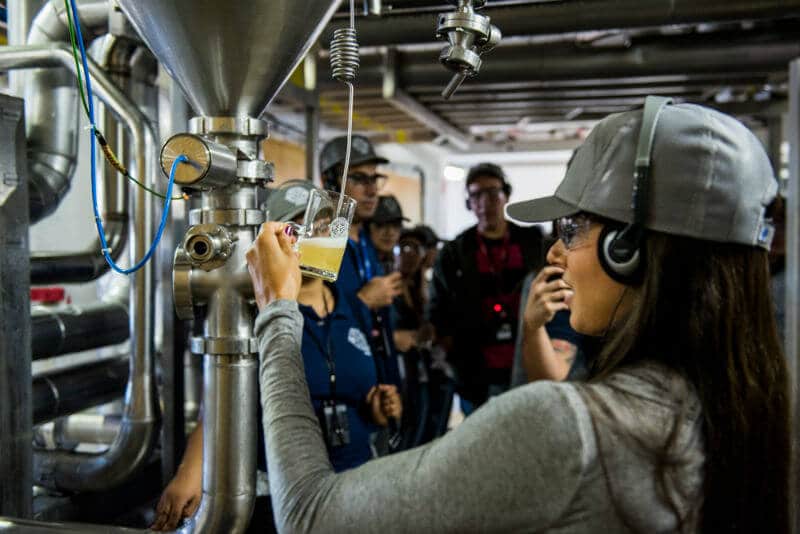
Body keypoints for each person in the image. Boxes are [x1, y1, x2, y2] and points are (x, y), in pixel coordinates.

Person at [247, 99, 789, 533]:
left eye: (572, 231)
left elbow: (310, 516)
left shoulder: (563, 430)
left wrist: (276, 312)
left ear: (629, 249)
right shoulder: (750, 410)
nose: (554, 255)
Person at [151, 180, 401, 532]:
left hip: (357, 487)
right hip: (284, 498)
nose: (316, 236)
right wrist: (190, 473)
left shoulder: (350, 306)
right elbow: (224, 402)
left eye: (323, 225)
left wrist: (376, 408)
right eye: (296, 228)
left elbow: (353, 383)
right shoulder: (257, 314)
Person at [427, 162, 547, 412]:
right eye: (476, 195)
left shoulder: (533, 244)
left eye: (492, 193)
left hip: (527, 365)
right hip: (474, 374)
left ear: (506, 196)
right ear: (469, 202)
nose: (485, 202)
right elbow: (438, 310)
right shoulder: (454, 253)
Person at [368, 195, 409, 274]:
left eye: (396, 225)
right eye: (382, 224)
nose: (390, 232)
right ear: (368, 226)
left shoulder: (394, 263)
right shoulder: (358, 260)